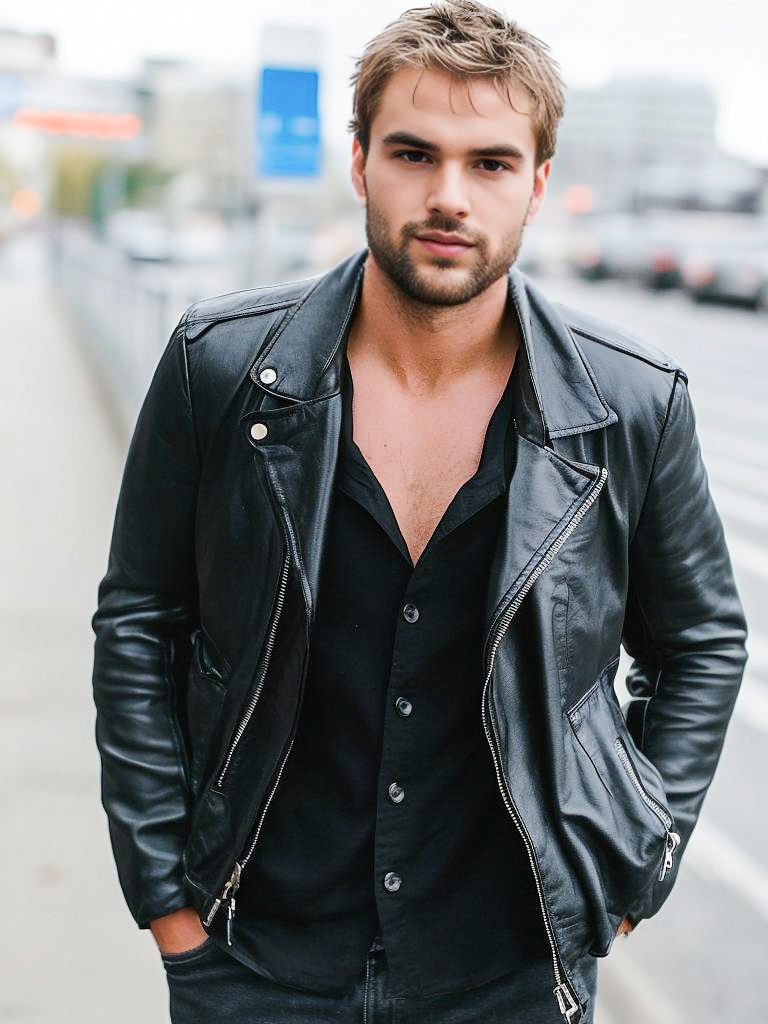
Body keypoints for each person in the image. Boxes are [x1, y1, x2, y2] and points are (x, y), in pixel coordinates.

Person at [91, 2, 749, 1022]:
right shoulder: (219, 368)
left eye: (489, 163)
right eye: (413, 153)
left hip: (508, 971)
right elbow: (141, 618)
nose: (448, 196)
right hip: (252, 955)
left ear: (536, 184)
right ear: (360, 164)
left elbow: (700, 640)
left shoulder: (630, 406)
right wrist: (166, 896)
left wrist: (628, 876)